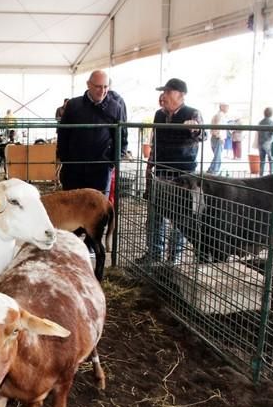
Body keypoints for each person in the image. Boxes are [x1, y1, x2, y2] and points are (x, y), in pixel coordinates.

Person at [137, 78, 206, 265]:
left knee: (180, 218)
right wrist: (150, 165)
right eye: (164, 92)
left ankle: (173, 258)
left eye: (168, 92)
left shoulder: (192, 113)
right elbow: (155, 142)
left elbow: (202, 134)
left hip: (183, 175)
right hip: (161, 171)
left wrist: (195, 128)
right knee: (155, 216)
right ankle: (154, 253)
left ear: (181, 95)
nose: (164, 95)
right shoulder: (159, 115)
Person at [56, 69, 127, 197]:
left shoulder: (115, 107)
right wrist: (65, 159)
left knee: (97, 209)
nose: (102, 91)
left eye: (105, 87)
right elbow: (63, 134)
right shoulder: (73, 105)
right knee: (73, 205)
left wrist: (112, 163)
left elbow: (122, 137)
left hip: (101, 169)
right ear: (88, 84)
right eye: (98, 86)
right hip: (74, 168)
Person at [208, 103, 228, 174]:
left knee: (217, 156)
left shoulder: (217, 115)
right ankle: (213, 171)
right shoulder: (220, 115)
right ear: (222, 107)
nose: (228, 108)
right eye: (226, 106)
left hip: (215, 137)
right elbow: (219, 127)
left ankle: (212, 170)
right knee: (217, 156)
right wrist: (221, 137)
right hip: (218, 138)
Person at [258, 107, 273, 176]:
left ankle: (261, 175)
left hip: (260, 143)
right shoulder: (271, 123)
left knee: (262, 161)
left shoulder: (260, 122)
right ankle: (271, 175)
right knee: (271, 160)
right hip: (268, 143)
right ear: (271, 114)